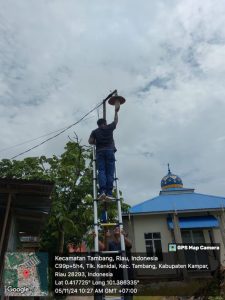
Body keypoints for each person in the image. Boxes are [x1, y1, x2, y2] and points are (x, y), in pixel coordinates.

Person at [88, 102, 120, 200]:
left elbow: (90, 141)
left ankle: (102, 191)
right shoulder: (109, 127)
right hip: (110, 151)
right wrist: (116, 111)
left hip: (100, 152)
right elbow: (115, 121)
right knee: (110, 172)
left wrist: (97, 141)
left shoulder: (95, 131)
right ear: (105, 123)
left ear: (98, 125)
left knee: (101, 171)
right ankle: (109, 193)